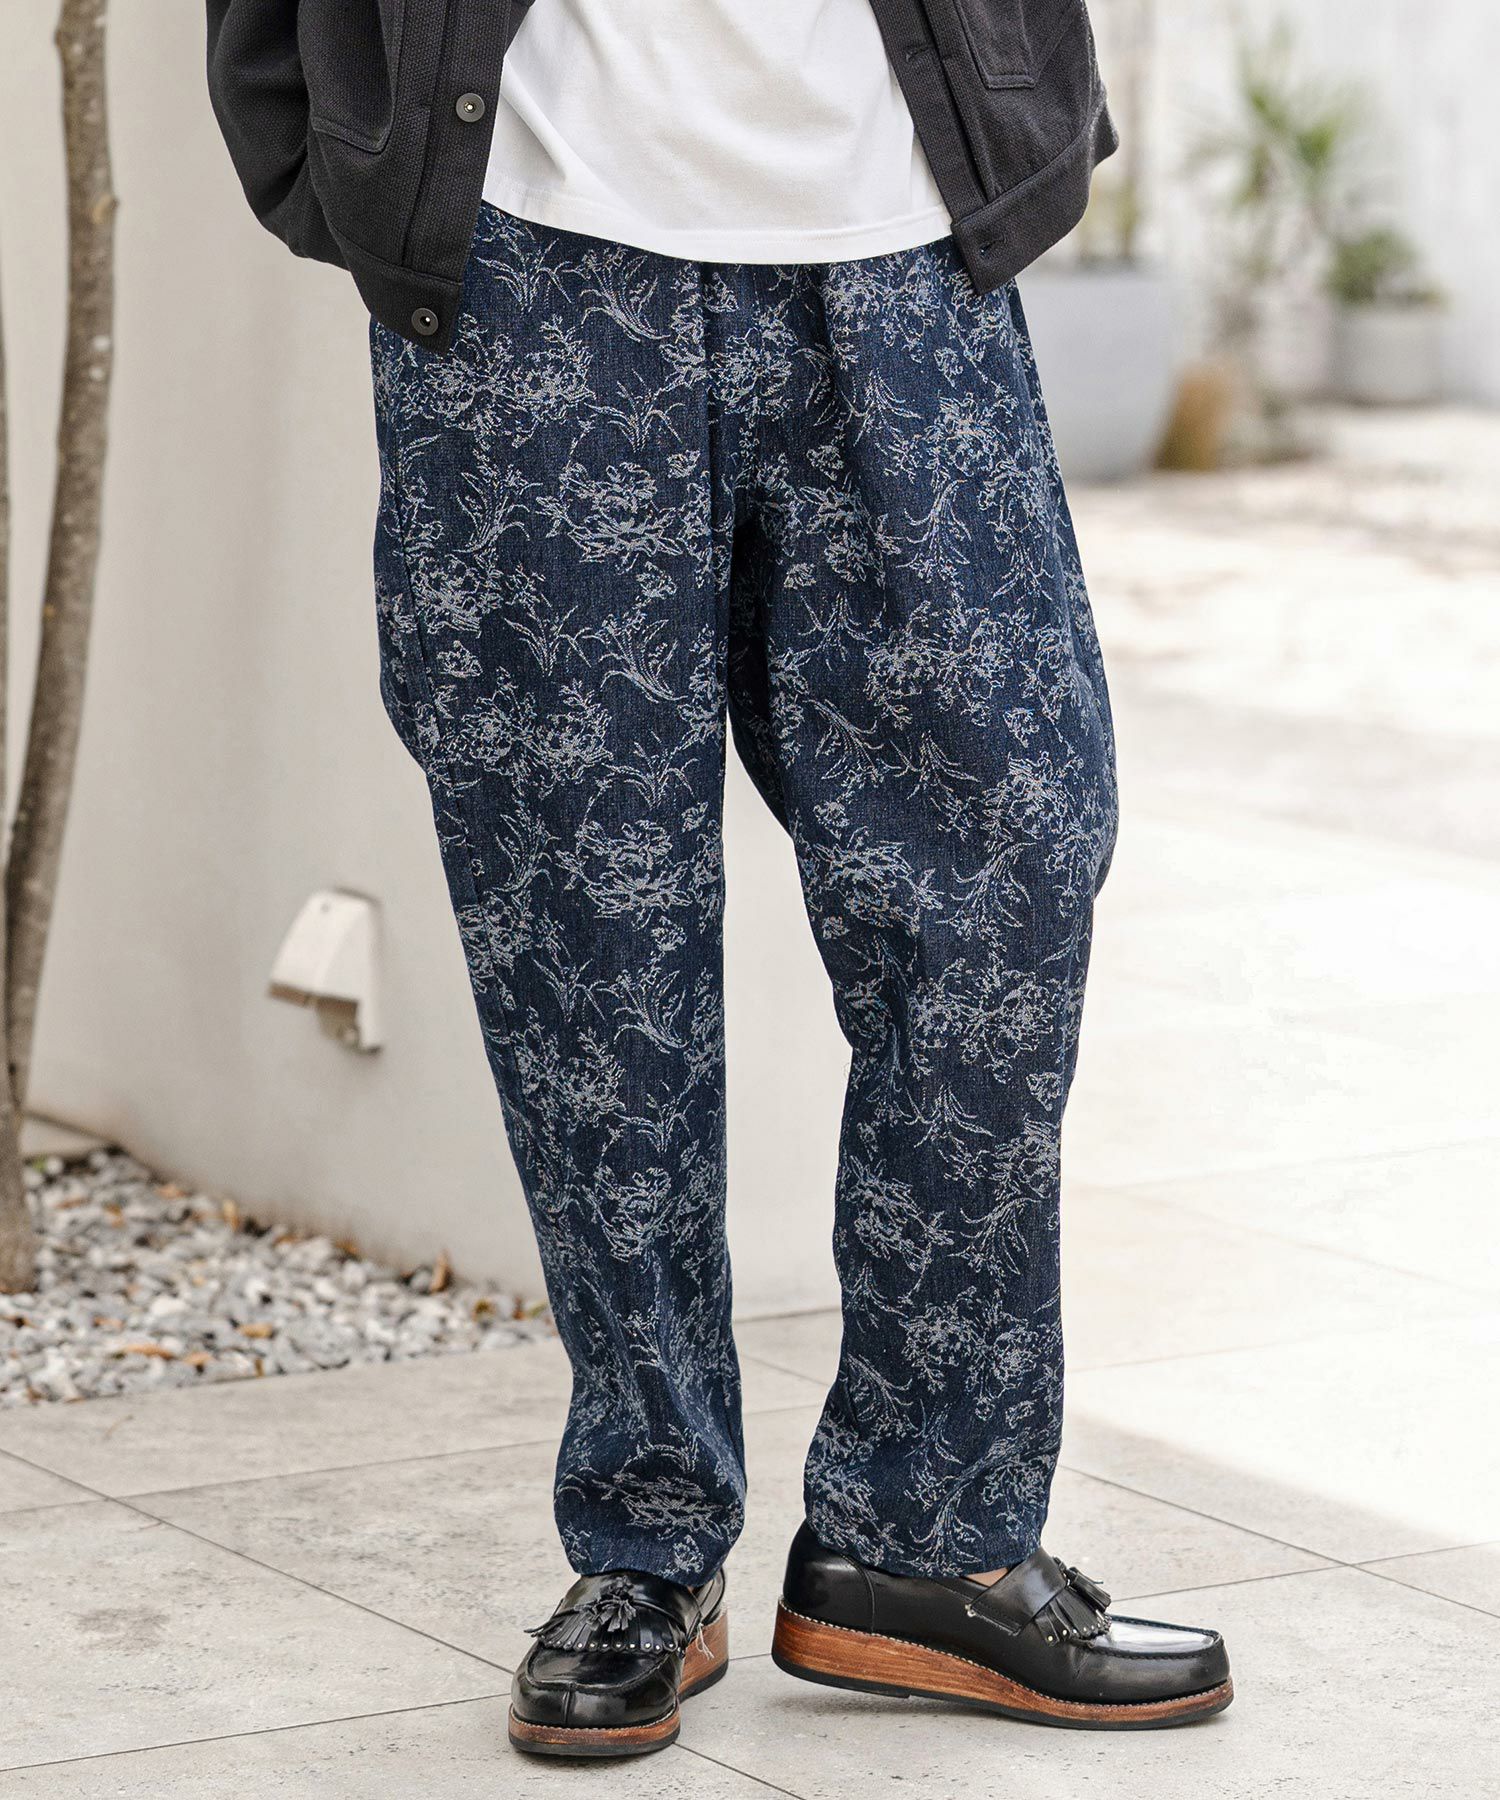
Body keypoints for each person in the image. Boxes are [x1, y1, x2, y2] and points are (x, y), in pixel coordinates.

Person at [205, 0, 1232, 1759]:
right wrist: (343, 157)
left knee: (1003, 882)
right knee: (588, 942)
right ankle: (646, 1545)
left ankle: (924, 1539)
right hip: (535, 261)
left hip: (907, 248)